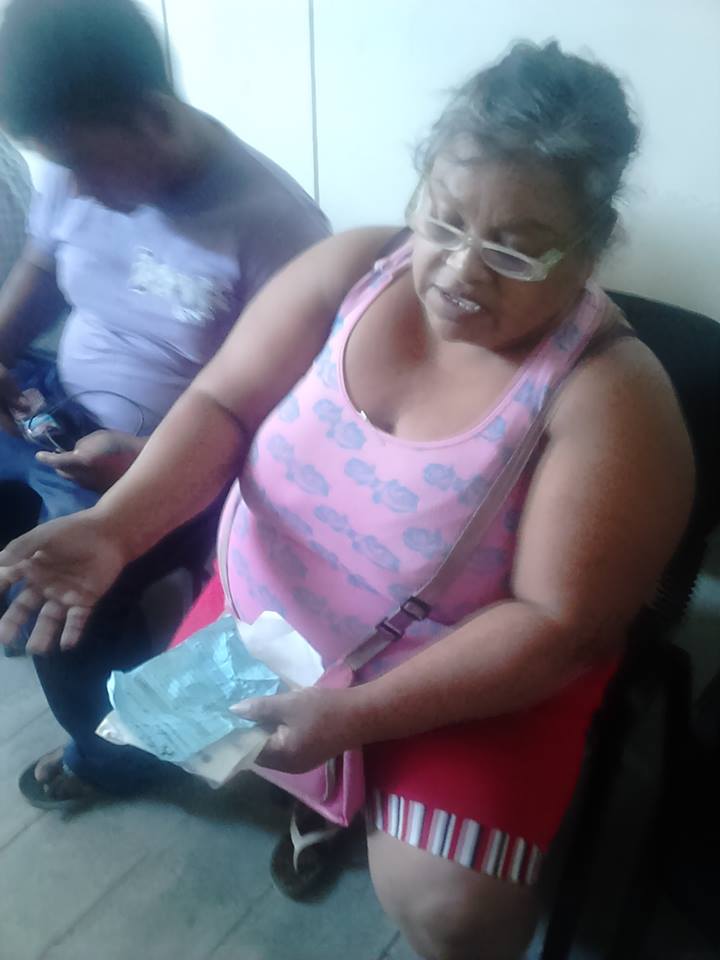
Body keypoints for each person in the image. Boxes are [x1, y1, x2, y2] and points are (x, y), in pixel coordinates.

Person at [0, 41, 693, 960]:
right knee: (187, 731)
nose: (461, 271)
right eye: (444, 220)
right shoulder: (357, 268)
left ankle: (348, 786)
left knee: (450, 910)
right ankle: (324, 803)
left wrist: (357, 718)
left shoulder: (610, 399)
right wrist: (116, 527)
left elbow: (556, 625)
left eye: (517, 249)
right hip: (277, 604)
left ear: (591, 247)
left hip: (466, 665)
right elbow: (223, 402)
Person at [0, 0, 329, 649]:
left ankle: (169, 601)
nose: (73, 188)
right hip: (52, 413)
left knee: (54, 616)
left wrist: (146, 461)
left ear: (153, 118)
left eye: (82, 164)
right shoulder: (75, 168)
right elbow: (44, 264)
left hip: (172, 463)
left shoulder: (279, 229)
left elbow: (292, 419)